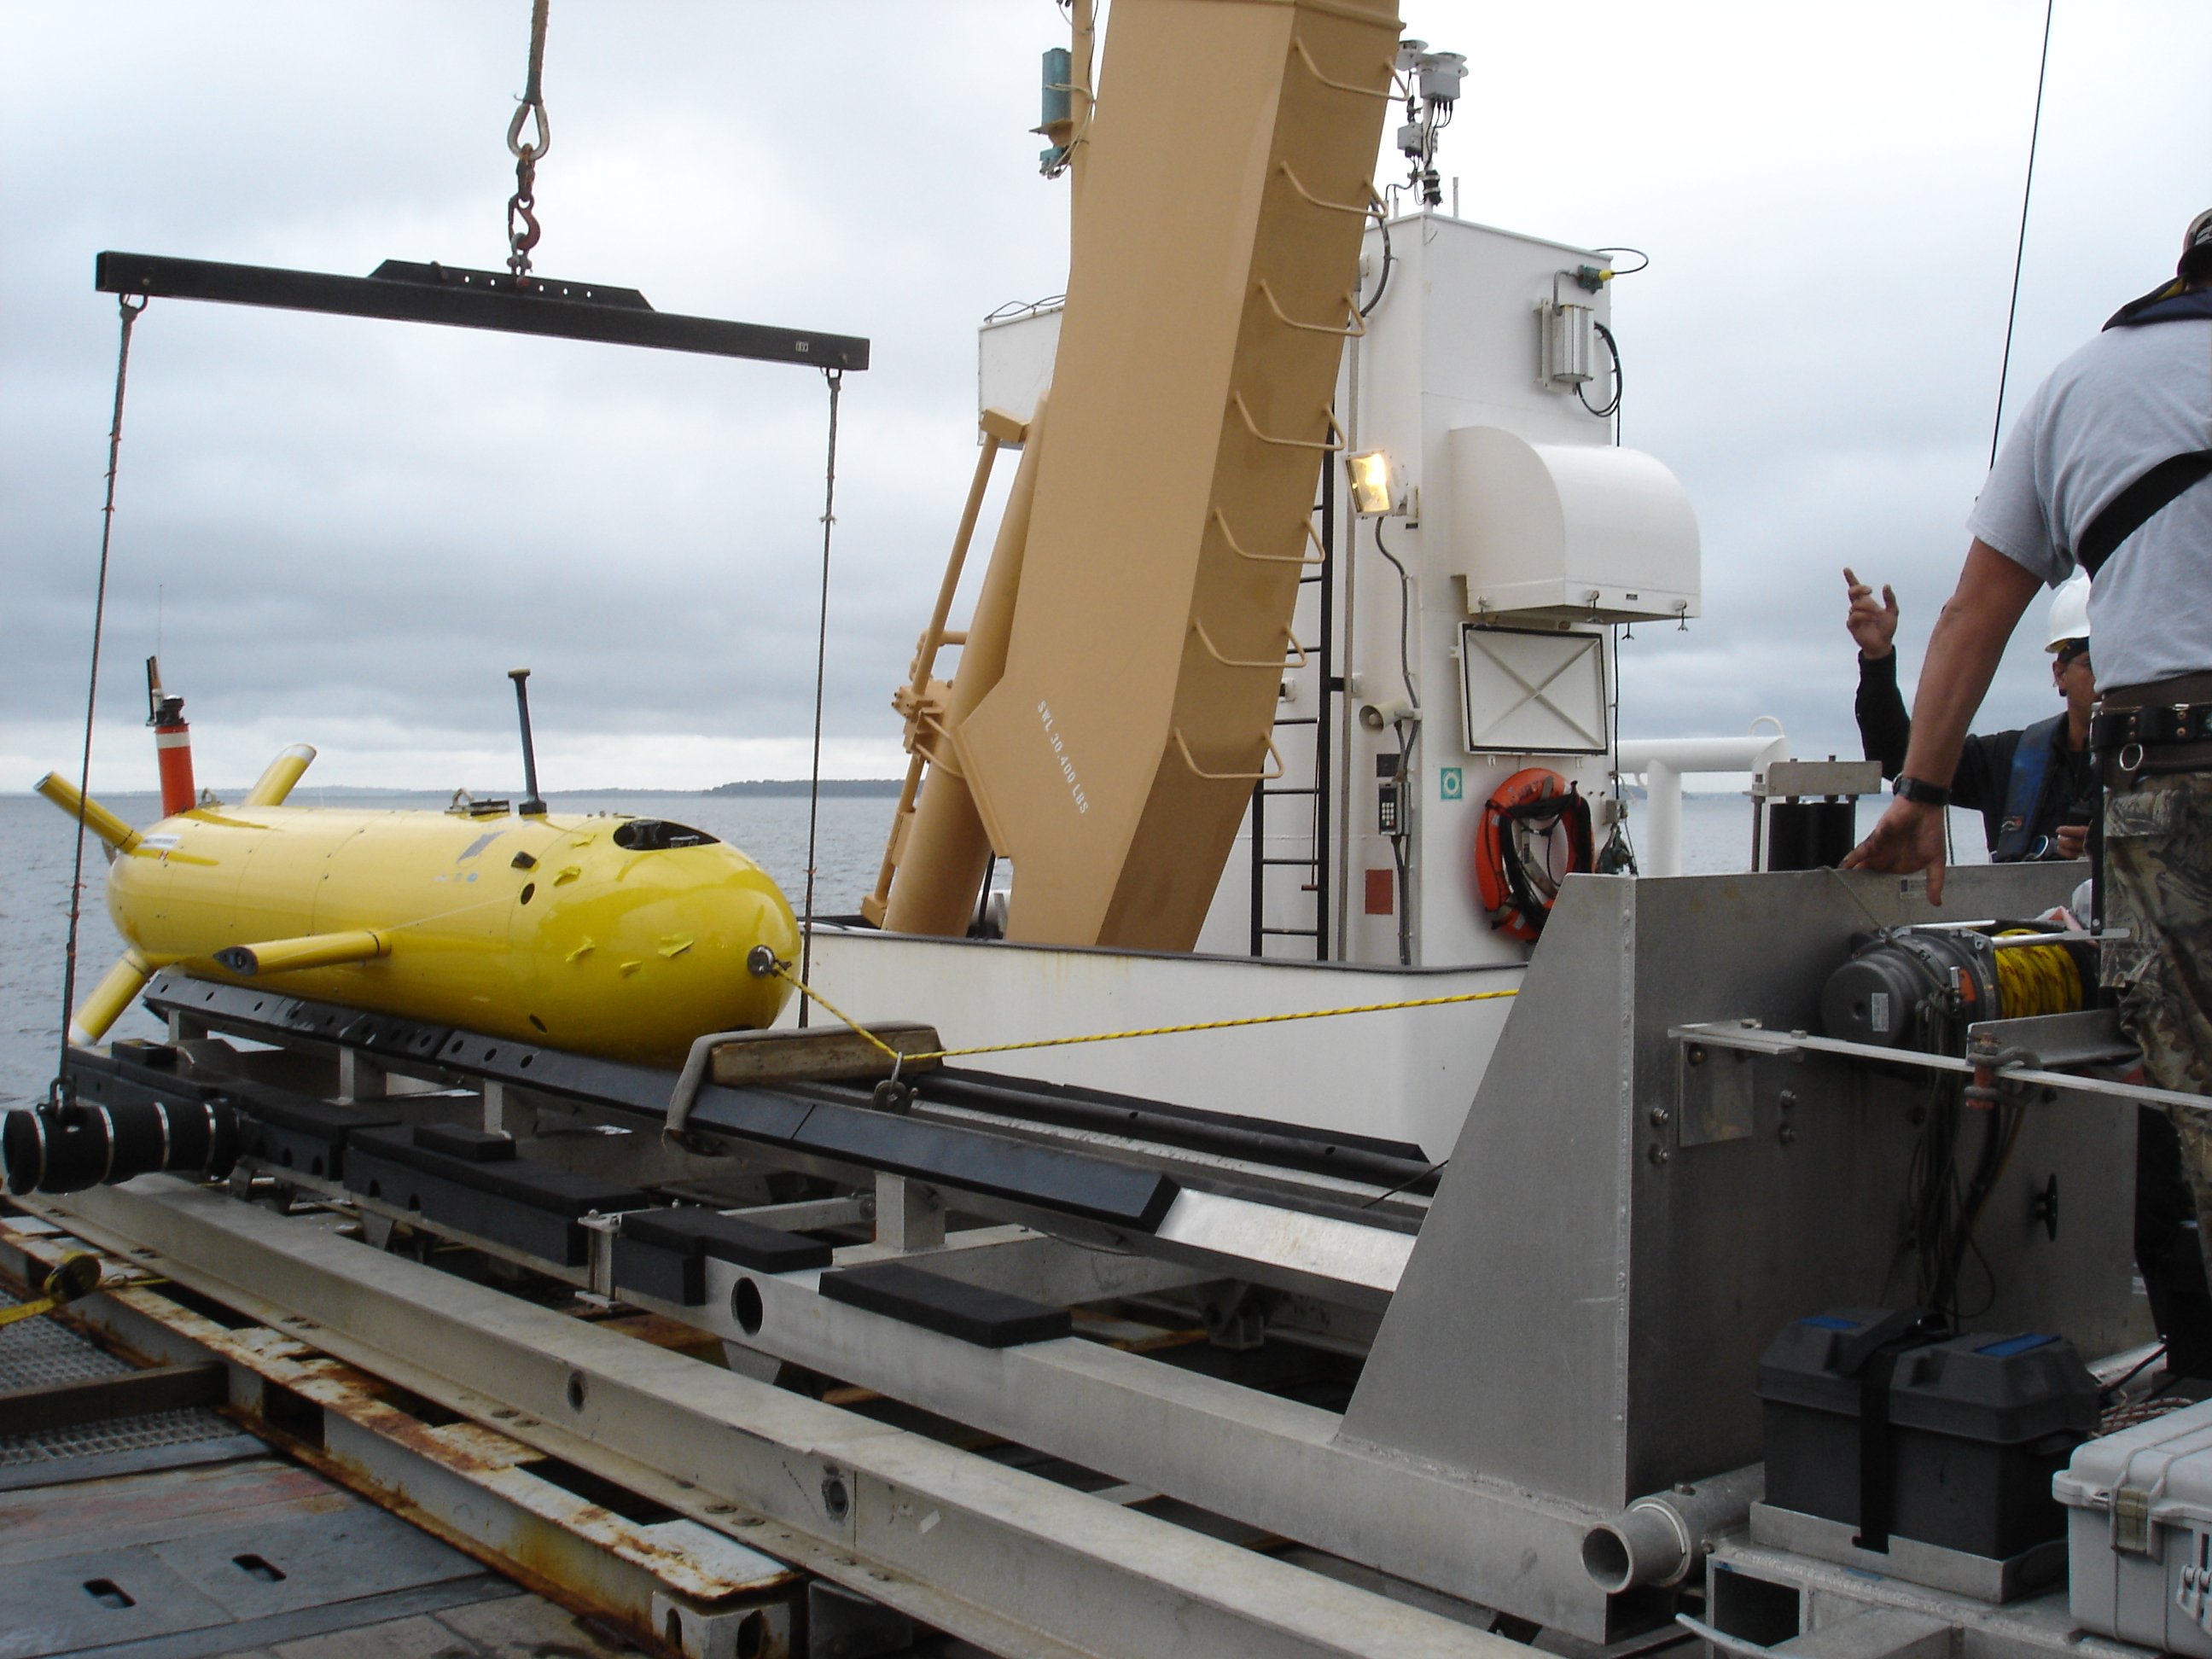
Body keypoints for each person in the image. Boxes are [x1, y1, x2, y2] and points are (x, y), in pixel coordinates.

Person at [1845, 208, 2212, 1360]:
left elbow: (1976, 612)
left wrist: (1911, 799)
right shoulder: (2022, 758)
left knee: (2196, 1110)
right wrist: (1877, 674)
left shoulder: (2086, 386)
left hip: (2178, 777)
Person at [1845, 568, 2097, 859]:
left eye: (2118, 662)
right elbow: (1898, 756)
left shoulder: (2159, 759)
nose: (2108, 676)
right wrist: (1878, 660)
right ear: (2060, 674)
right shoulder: (2010, 759)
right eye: (2092, 663)